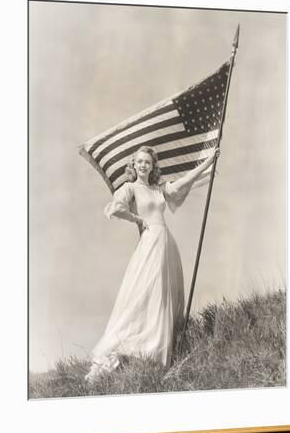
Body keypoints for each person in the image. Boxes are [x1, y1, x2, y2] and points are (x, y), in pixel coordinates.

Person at [84, 145, 220, 384]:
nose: (144, 165)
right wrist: (137, 219)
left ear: (153, 166)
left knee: (163, 296)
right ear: (133, 165)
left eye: (148, 162)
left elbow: (184, 181)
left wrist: (208, 162)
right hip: (149, 244)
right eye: (140, 162)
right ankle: (125, 348)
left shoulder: (159, 189)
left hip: (166, 244)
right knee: (142, 294)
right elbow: (115, 208)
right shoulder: (130, 188)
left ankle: (158, 352)